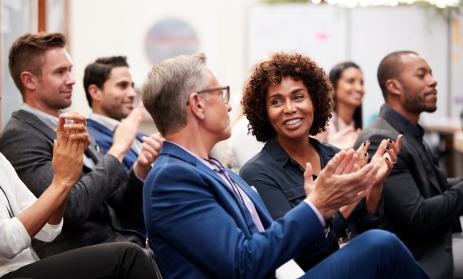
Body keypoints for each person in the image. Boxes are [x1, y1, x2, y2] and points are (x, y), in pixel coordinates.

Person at [141, 52, 429, 279]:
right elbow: (243, 265)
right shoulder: (173, 178)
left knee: (380, 245)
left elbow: (270, 242)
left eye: (299, 97)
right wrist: (318, 205)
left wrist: (352, 194)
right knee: (380, 246)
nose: (229, 106)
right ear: (198, 104)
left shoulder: (215, 169)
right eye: (221, 94)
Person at [0, 50, 157, 279]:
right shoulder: (19, 136)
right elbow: (6, 241)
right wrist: (63, 180)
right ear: (29, 80)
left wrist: (66, 175)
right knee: (128, 256)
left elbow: (48, 229)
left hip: (26, 266)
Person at [0, 32, 160, 258]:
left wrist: (141, 166)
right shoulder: (19, 137)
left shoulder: (71, 122)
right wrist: (118, 148)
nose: (72, 79)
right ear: (29, 80)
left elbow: (120, 206)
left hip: (119, 244)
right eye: (60, 72)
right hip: (84, 255)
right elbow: (73, 209)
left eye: (69, 70)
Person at [239, 52, 401, 270]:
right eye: (276, 101)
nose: (289, 108)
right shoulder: (257, 172)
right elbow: (301, 252)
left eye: (298, 97)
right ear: (264, 113)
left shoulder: (335, 155)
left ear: (314, 101)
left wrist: (374, 185)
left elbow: (367, 225)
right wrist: (346, 199)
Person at [355, 51, 463, 279]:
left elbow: (434, 184)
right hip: (417, 259)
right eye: (421, 75)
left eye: (431, 74)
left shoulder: (407, 131)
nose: (433, 81)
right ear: (394, 86)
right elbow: (418, 217)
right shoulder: (381, 140)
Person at [83, 56, 163, 233]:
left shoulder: (140, 136)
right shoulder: (89, 139)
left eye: (132, 86)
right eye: (122, 86)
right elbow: (119, 200)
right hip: (135, 236)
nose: (132, 93)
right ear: (95, 92)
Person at [314, 62, 363, 150]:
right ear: (333, 86)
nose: (359, 88)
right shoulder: (323, 127)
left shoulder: (357, 127)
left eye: (361, 83)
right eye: (351, 81)